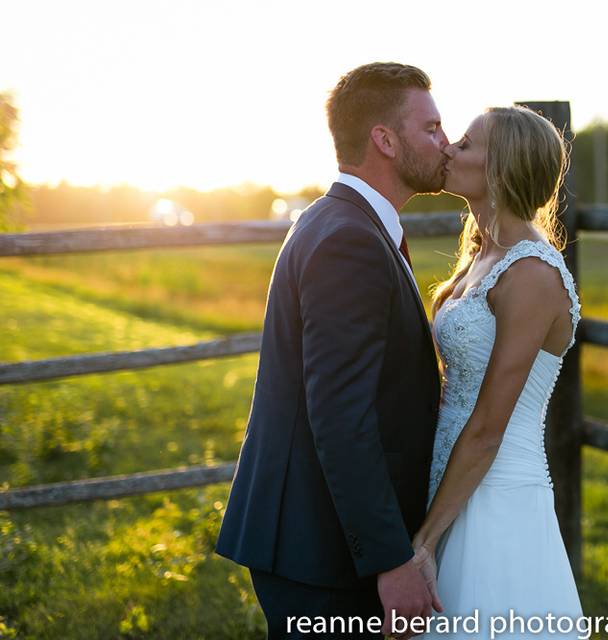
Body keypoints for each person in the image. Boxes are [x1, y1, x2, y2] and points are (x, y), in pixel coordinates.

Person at [215, 62, 448, 640]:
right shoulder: (350, 240)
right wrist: (390, 562)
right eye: (432, 129)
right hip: (318, 549)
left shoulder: (343, 221)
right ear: (385, 140)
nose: (447, 143)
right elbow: (341, 418)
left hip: (319, 536)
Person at [413, 106, 584, 638]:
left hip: (495, 498)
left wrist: (424, 542)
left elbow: (489, 427)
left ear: (500, 169)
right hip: (449, 480)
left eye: (464, 144)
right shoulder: (481, 256)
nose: (448, 149)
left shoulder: (531, 273)